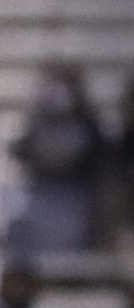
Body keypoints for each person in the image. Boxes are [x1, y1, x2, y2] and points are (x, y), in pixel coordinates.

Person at [9, 63, 106, 259]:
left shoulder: (89, 128)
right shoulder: (34, 125)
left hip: (75, 199)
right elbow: (24, 152)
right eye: (52, 84)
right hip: (39, 194)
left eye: (63, 85)